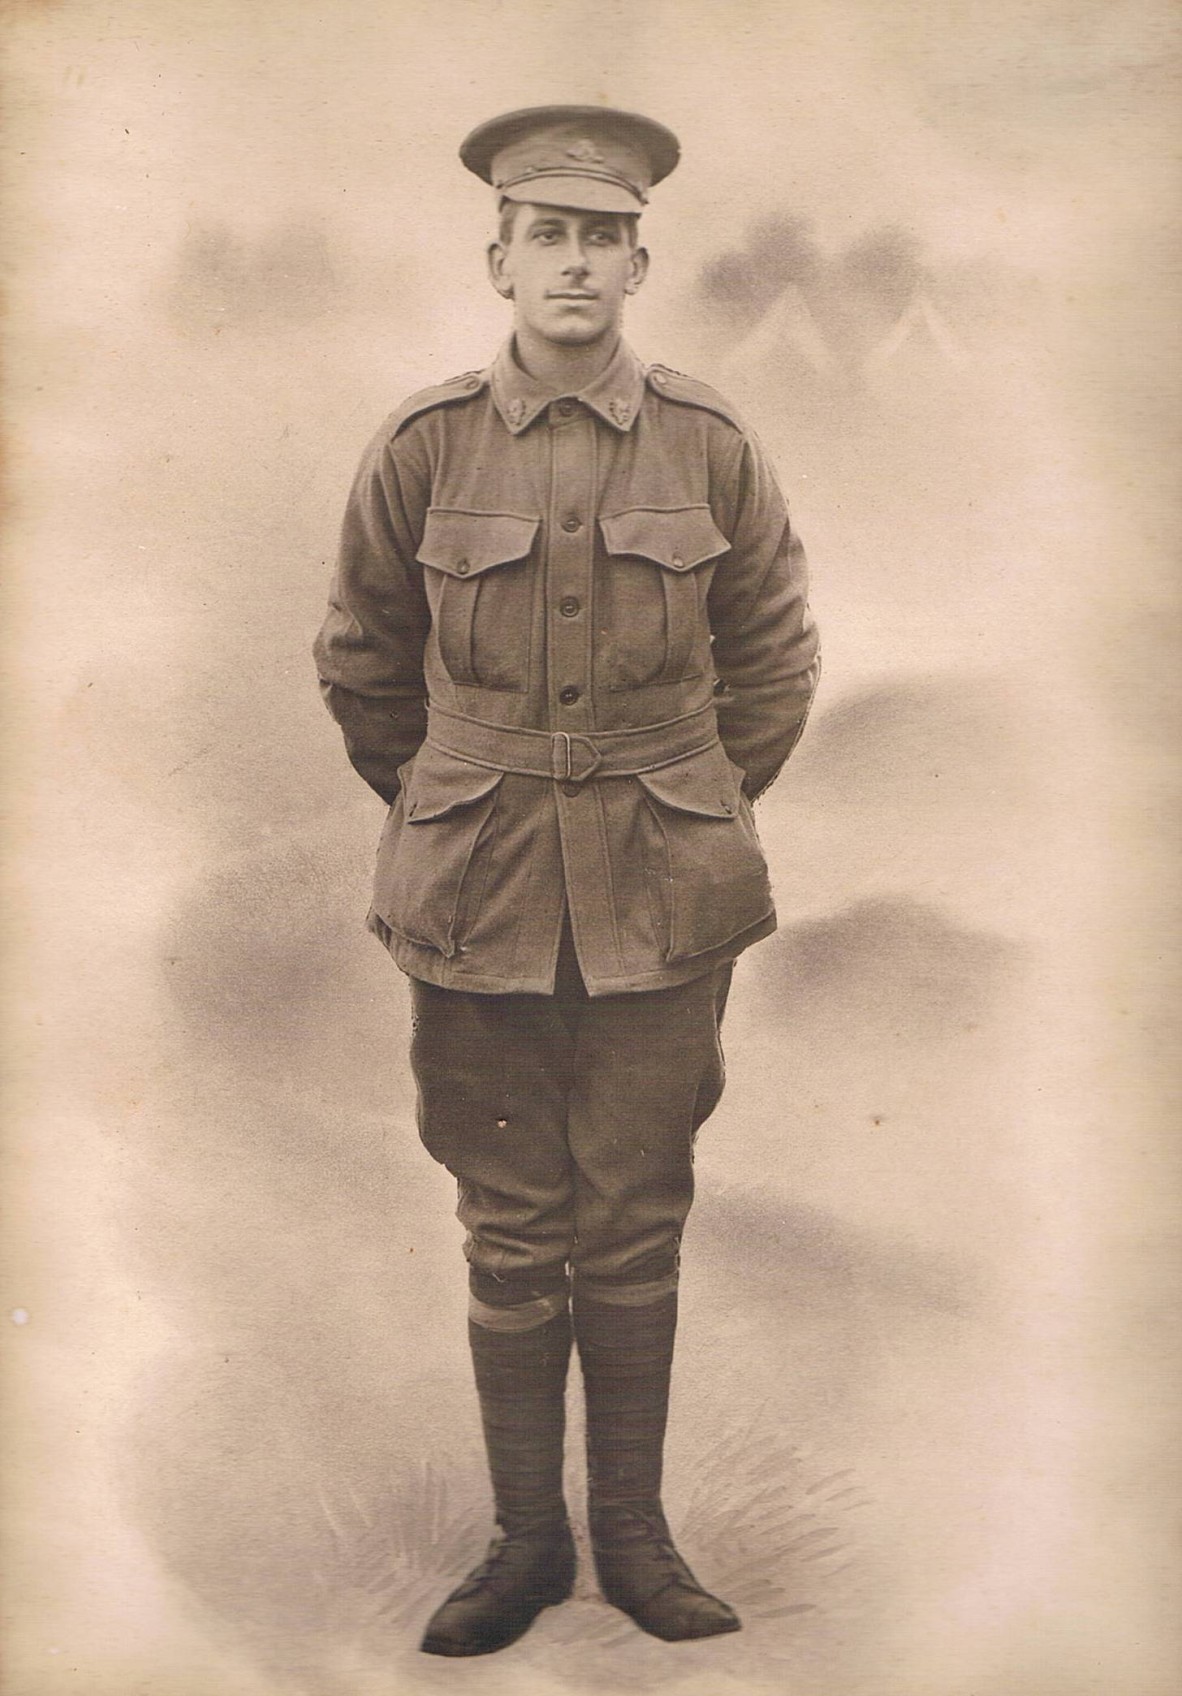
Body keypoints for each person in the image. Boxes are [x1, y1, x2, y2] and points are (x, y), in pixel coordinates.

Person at [313, 104, 820, 1657]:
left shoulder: (712, 444)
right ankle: (528, 1546)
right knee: (508, 1226)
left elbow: (774, 663)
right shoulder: (422, 448)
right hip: (477, 902)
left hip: (664, 900)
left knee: (638, 1220)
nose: (577, 263)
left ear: (639, 261)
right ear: (499, 258)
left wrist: (684, 808)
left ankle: (638, 1548)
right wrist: (454, 808)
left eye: (603, 237)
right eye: (549, 234)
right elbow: (361, 663)